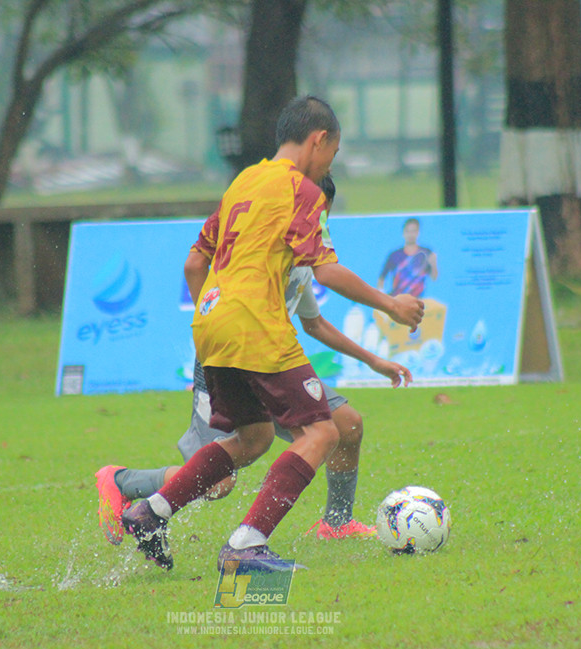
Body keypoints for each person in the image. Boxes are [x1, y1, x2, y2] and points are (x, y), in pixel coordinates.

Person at [121, 95, 424, 572]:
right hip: (255, 324)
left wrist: (214, 315)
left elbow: (195, 262)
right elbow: (326, 272)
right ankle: (247, 542)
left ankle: (150, 512)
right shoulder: (301, 191)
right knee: (323, 429)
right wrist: (391, 304)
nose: (329, 164)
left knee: (254, 438)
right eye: (333, 153)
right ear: (319, 140)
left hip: (212, 322)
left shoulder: (244, 180)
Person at [378, 217, 438, 297]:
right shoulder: (394, 255)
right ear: (403, 233)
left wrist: (433, 264)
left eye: (413, 231)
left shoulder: (426, 253)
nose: (410, 234)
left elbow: (434, 277)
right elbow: (382, 278)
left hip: (418, 301)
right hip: (397, 300)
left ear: (418, 232)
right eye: (408, 231)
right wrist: (382, 297)